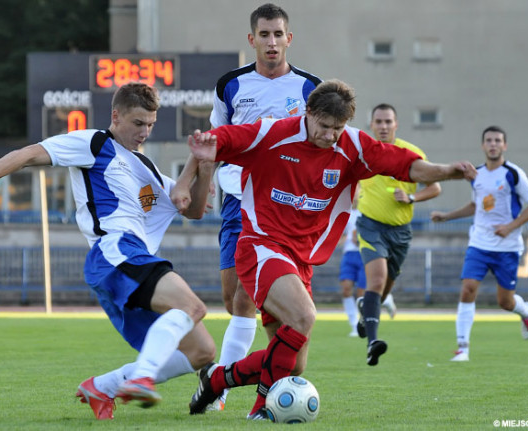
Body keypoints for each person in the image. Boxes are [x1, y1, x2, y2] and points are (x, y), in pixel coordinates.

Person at [182, 79, 476, 419]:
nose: (330, 135)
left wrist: (448, 172)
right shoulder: (273, 133)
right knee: (305, 316)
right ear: (308, 112)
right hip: (260, 246)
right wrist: (195, 166)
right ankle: (261, 410)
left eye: (338, 128)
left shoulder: (352, 145)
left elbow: (405, 165)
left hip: (300, 260)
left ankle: (216, 379)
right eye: (324, 126)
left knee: (294, 366)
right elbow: (219, 141)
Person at [0, 83, 217, 420]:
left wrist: (205, 167)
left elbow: (191, 208)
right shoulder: (94, 143)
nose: (144, 132)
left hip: (131, 261)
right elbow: (27, 154)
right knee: (193, 306)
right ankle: (142, 376)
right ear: (116, 116)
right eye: (137, 123)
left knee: (202, 351)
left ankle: (103, 386)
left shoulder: (145, 167)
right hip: (116, 250)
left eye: (150, 125)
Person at [173, 2, 322, 411]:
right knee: (235, 299)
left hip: (285, 208)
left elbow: (327, 144)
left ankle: (224, 388)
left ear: (289, 39)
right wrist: (187, 183)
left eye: (278, 34)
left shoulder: (310, 88)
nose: (272, 42)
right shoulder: (231, 86)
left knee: (246, 298)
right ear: (251, 39)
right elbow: (213, 142)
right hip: (237, 199)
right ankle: (257, 385)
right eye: (264, 34)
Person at [431, 125, 528, 362]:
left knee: (505, 302)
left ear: (504, 145)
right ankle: (463, 348)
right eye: (489, 140)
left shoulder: (514, 174)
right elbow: (476, 205)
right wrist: (446, 216)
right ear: (483, 145)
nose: (493, 144)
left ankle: (525, 311)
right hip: (479, 243)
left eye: (497, 140)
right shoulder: (477, 174)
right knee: (468, 288)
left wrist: (510, 227)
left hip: (507, 247)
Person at [355, 103, 442, 363]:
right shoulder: (362, 152)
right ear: (371, 125)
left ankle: (366, 314)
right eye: (378, 122)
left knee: (383, 289)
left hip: (401, 232)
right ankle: (373, 342)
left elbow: (435, 187)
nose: (383, 126)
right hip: (370, 225)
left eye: (388, 122)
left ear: (396, 125)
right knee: (378, 279)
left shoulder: (411, 153)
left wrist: (412, 197)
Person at [338, 187, 366, 337]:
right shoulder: (345, 211)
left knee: (361, 293)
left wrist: (360, 238)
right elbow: (342, 235)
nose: (355, 192)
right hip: (349, 254)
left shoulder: (367, 210)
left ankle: (363, 323)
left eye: (357, 189)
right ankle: (353, 324)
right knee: (346, 289)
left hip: (364, 254)